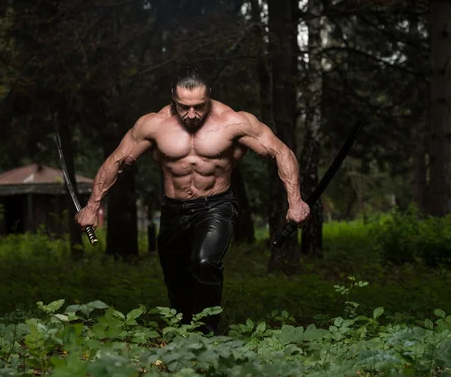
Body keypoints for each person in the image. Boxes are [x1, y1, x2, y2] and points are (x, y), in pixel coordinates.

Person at [75, 66, 310, 335]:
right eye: (184, 107)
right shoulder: (153, 125)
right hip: (173, 209)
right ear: (173, 99)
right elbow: (116, 161)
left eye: (199, 106)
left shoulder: (234, 122)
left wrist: (295, 201)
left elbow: (281, 152)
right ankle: (184, 332)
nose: (191, 115)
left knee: (204, 262)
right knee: (175, 277)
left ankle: (206, 335)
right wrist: (92, 207)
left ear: (209, 95)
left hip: (216, 205)